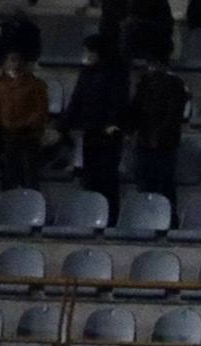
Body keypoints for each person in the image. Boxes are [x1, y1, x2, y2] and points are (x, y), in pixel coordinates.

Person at [63, 34, 130, 224]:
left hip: (108, 135)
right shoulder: (86, 73)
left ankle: (110, 219)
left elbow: (119, 102)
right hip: (91, 132)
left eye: (90, 51)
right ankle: (91, 217)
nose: (87, 55)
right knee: (90, 179)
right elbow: (77, 100)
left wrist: (113, 123)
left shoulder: (115, 74)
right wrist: (64, 125)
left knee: (107, 179)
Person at [126, 49, 188, 216]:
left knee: (163, 186)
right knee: (146, 186)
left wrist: (158, 135)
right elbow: (136, 110)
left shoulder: (174, 84)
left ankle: (166, 219)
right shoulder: (145, 84)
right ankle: (146, 217)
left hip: (163, 143)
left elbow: (173, 115)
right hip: (145, 140)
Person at [0, 50, 47, 190]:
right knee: (9, 170)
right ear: (5, 63)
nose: (15, 64)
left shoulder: (36, 84)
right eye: (12, 60)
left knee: (29, 171)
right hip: (5, 133)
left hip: (28, 134)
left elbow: (40, 110)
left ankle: (32, 201)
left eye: (18, 60)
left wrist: (25, 124)